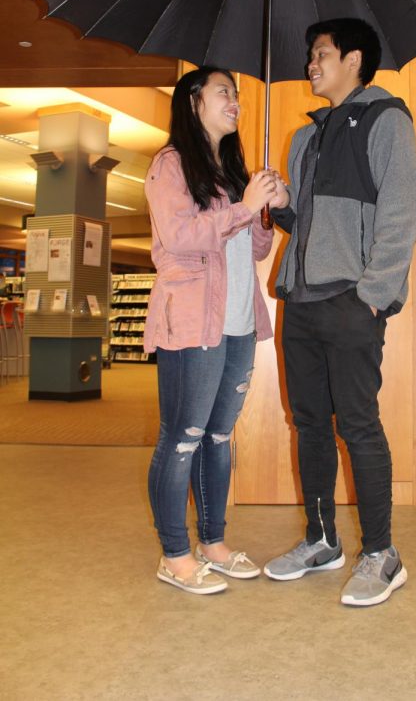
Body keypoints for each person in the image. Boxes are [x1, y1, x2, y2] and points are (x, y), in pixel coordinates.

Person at [264, 18, 416, 607]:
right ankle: (321, 539)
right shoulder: (305, 138)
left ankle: (382, 554)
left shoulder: (386, 118)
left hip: (351, 300)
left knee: (357, 425)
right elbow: (307, 229)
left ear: (354, 59)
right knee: (307, 425)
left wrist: (373, 294)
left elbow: (405, 209)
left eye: (321, 53)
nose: (312, 63)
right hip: (300, 301)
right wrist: (282, 205)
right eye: (311, 55)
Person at [144, 66, 279, 595]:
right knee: (183, 439)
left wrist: (262, 213)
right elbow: (178, 238)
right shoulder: (171, 164)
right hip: (193, 324)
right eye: (225, 91)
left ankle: (213, 542)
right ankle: (173, 553)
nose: (236, 101)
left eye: (238, 94)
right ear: (194, 99)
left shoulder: (232, 171)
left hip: (240, 322)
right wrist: (242, 208)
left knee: (219, 437)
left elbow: (255, 250)